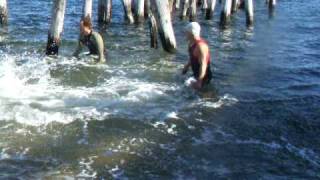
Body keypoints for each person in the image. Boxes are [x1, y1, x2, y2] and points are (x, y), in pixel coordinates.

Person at [182, 22, 212, 90]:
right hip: (196, 74)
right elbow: (193, 56)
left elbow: (203, 64)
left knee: (201, 97)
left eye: (187, 32)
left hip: (204, 77)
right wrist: (186, 66)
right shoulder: (191, 43)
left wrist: (199, 81)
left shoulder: (201, 46)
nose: (185, 34)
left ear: (191, 33)